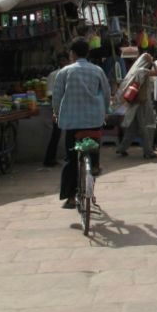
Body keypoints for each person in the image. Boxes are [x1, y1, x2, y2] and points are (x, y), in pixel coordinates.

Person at [52, 38, 111, 209]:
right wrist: (105, 111)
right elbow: (106, 94)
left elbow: (57, 96)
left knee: (71, 159)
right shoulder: (97, 70)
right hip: (94, 119)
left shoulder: (65, 72)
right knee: (92, 147)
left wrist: (56, 113)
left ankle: (70, 198)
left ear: (72, 53)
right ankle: (94, 165)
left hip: (72, 122)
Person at [115, 52, 157, 159]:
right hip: (142, 102)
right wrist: (153, 62)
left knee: (133, 128)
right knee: (145, 126)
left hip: (136, 101)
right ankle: (148, 152)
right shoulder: (142, 71)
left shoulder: (136, 70)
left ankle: (122, 148)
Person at [43, 56, 70, 167]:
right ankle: (50, 158)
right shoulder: (55, 75)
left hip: (64, 106)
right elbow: (50, 94)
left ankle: (54, 157)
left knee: (63, 133)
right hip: (59, 107)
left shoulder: (69, 73)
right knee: (57, 133)